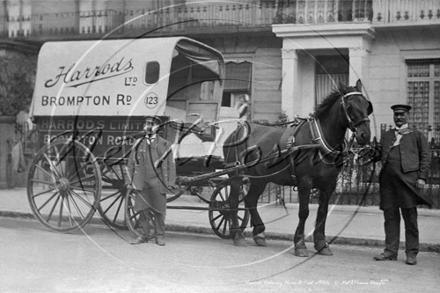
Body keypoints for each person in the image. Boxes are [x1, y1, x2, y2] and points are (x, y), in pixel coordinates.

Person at [372, 104, 432, 265]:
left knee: (410, 218)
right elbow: (379, 154)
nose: (398, 117)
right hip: (388, 183)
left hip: (408, 182)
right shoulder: (387, 135)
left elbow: (425, 157)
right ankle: (390, 251)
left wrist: (422, 178)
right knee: (390, 217)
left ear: (407, 116)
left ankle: (411, 253)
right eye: (396, 115)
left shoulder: (417, 135)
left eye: (401, 114)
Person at [125, 116, 176, 246]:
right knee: (143, 210)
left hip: (158, 183)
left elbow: (171, 165)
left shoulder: (165, 144)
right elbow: (130, 164)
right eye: (147, 123)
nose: (148, 126)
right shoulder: (138, 143)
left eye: (152, 124)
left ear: (157, 127)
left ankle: (159, 236)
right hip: (142, 182)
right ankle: (143, 235)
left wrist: (170, 183)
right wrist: (129, 181)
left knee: (159, 211)